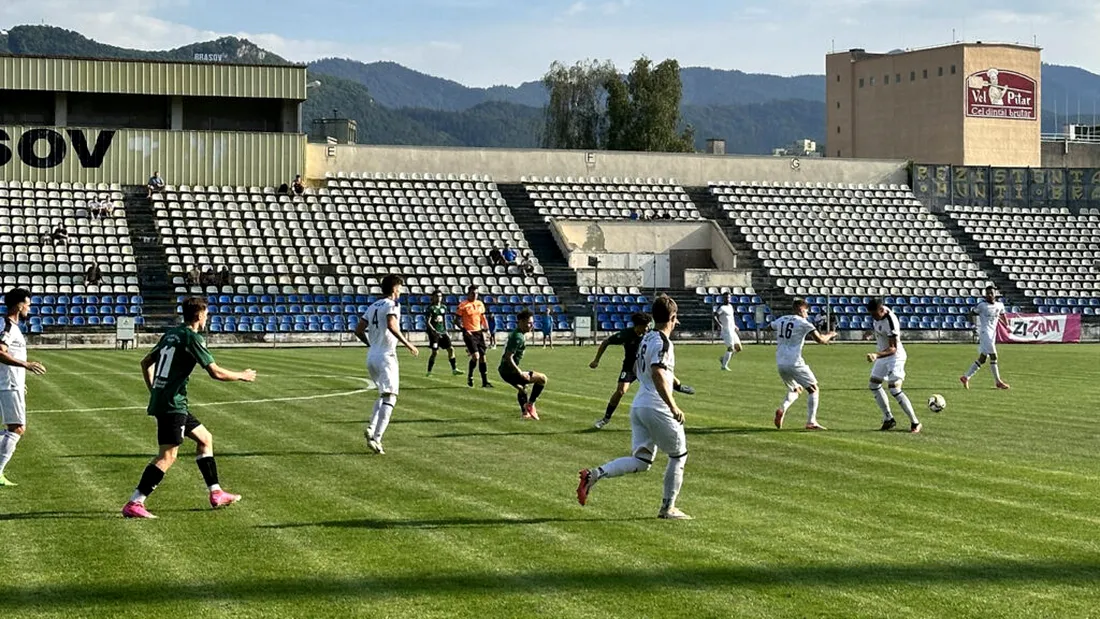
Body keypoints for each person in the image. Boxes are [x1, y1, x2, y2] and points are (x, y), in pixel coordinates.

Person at [121, 297, 257, 519]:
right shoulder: (192, 338)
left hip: (170, 401)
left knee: (205, 439)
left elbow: (145, 362)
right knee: (168, 455)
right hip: (173, 404)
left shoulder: (171, 334)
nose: (207, 318)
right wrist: (242, 375)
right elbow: (215, 372)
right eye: (206, 314)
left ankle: (216, 492)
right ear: (200, 315)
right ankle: (135, 502)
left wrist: (155, 389)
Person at [577, 295, 692, 520]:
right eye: (676, 319)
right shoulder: (662, 342)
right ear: (672, 317)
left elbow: (655, 370)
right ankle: (668, 507)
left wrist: (675, 383)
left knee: (641, 461)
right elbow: (658, 373)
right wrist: (673, 405)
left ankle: (594, 475)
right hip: (656, 406)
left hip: (638, 405)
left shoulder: (647, 338)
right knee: (679, 455)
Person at [354, 274, 419, 455]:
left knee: (383, 395)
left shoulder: (373, 305)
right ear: (394, 288)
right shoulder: (392, 305)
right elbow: (392, 325)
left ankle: (371, 427)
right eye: (400, 287)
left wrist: (371, 345)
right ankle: (377, 438)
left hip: (372, 356)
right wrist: (408, 344)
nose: (401, 291)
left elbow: (358, 330)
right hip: (386, 356)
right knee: (391, 397)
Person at [0, 289, 48, 487]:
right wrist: (26, 365)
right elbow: (0, 352)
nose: (30, 308)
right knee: (17, 428)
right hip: (8, 384)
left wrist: (21, 380)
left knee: (16, 427)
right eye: (28, 304)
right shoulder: (8, 326)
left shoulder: (13, 326)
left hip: (12, 383)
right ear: (20, 305)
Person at [770, 299, 837, 430]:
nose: (807, 314)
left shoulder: (782, 319)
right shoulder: (803, 323)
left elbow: (769, 326)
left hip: (780, 362)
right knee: (813, 389)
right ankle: (811, 421)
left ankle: (782, 409)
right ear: (801, 310)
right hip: (794, 362)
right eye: (807, 311)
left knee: (796, 389)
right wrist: (830, 334)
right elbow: (821, 340)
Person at [865, 298, 922, 433]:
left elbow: (893, 348)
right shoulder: (878, 316)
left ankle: (915, 422)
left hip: (894, 357)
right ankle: (888, 418)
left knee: (894, 389)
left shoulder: (891, 321)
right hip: (883, 355)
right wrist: (870, 332)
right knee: (873, 384)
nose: (873, 317)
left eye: (874, 314)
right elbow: (879, 328)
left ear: (881, 310)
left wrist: (876, 355)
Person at [590, 312, 650, 430]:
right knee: (621, 391)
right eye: (646, 326)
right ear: (638, 325)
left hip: (644, 367)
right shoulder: (626, 334)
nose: (648, 328)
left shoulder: (649, 335)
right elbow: (606, 342)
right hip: (629, 367)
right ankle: (605, 419)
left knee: (655, 390)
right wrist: (596, 360)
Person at [498, 309, 548, 420]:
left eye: (532, 323)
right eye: (529, 322)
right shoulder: (518, 337)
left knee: (522, 389)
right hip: (510, 372)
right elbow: (508, 356)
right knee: (542, 379)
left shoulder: (517, 334)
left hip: (503, 371)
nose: (531, 325)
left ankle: (525, 413)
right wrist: (519, 372)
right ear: (521, 322)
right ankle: (530, 404)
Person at [960, 286, 1011, 390]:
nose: (989, 295)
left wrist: (1007, 325)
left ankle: (966, 377)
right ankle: (998, 381)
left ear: (995, 293)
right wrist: (973, 325)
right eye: (987, 293)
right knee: (994, 356)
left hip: (992, 334)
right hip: (984, 333)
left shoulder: (999, 305)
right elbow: (971, 313)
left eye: (991, 293)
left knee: (983, 359)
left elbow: (1002, 315)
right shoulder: (982, 305)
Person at [456, 286, 493, 388]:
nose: (475, 295)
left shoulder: (480, 304)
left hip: (479, 332)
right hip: (469, 333)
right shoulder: (463, 305)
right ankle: (470, 377)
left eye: (476, 293)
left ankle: (485, 381)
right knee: (475, 356)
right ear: (468, 293)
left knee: (483, 357)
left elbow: (483, 317)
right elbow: (457, 321)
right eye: (473, 293)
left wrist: (487, 329)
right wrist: (464, 330)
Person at [425, 290, 460, 377]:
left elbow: (444, 320)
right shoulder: (430, 308)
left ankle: (454, 369)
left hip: (443, 332)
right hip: (434, 334)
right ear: (433, 297)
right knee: (435, 353)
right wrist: (434, 331)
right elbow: (428, 322)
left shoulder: (443, 307)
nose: (438, 298)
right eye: (437, 296)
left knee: (451, 349)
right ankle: (429, 371)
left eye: (440, 296)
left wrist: (446, 330)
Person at [713, 292, 743, 371]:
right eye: (726, 297)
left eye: (729, 297)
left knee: (739, 348)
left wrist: (735, 326)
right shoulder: (722, 308)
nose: (728, 299)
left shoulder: (730, 306)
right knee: (730, 348)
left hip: (732, 330)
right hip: (726, 331)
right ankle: (724, 366)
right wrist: (719, 324)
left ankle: (724, 358)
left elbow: (731, 318)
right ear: (723, 298)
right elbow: (714, 316)